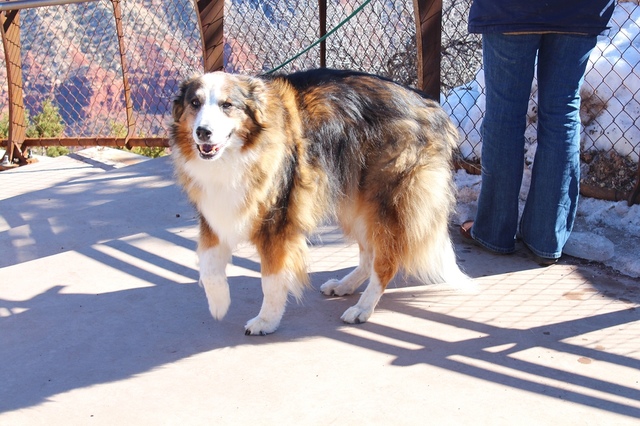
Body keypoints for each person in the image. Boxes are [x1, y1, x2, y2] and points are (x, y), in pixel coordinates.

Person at [460, 0, 616, 266]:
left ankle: (493, 232)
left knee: (505, 113)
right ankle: (546, 238)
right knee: (562, 113)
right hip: (580, 10)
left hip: (511, 9)